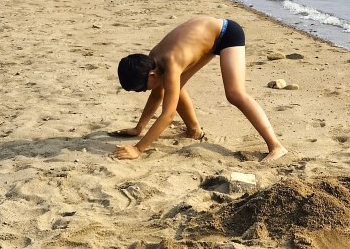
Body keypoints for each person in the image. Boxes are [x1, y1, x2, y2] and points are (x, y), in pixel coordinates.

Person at [112, 15, 287, 162]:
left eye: (142, 88)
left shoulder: (170, 63)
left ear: (151, 75)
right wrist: (139, 128)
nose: (144, 92)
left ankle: (276, 146)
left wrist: (138, 149)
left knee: (235, 94)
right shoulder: (153, 61)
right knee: (174, 87)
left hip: (226, 33)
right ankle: (194, 131)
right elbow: (158, 94)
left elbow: (168, 114)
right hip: (205, 38)